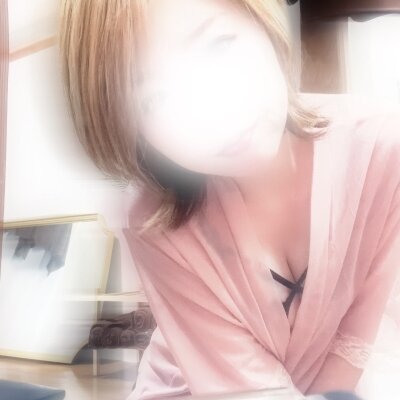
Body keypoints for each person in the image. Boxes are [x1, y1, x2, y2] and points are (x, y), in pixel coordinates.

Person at [57, 0, 400, 399]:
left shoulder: (382, 148)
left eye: (217, 46)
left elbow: (353, 341)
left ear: (260, 17)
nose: (210, 114)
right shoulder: (153, 219)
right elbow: (240, 388)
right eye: (154, 99)